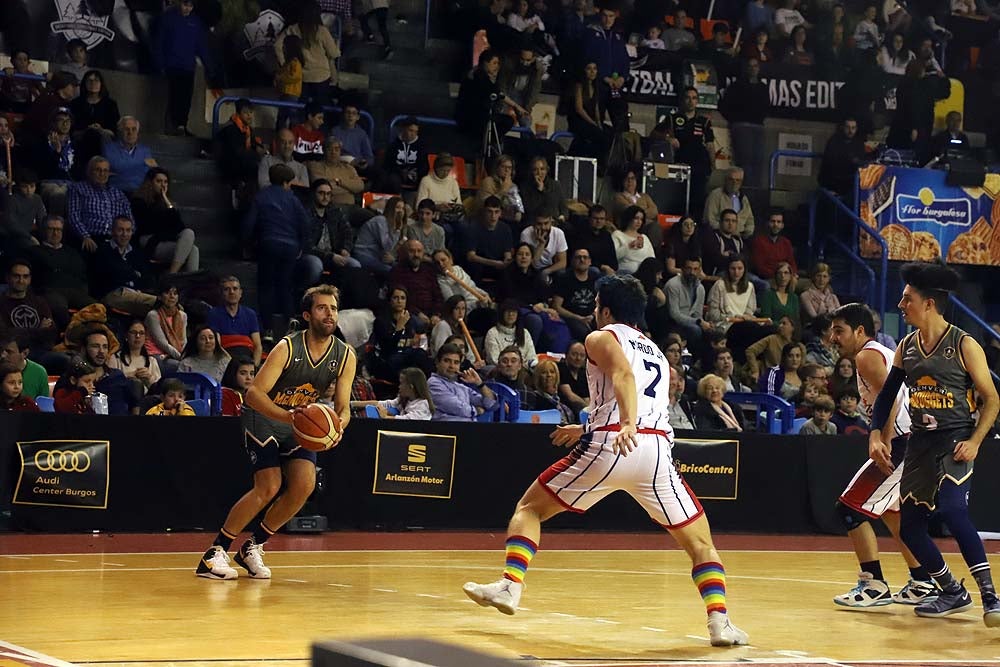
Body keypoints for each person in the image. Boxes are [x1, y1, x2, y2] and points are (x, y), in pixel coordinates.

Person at [462, 274, 749, 646]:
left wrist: (624, 424)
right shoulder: (658, 354)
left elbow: (622, 374)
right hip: (656, 453)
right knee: (701, 543)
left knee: (529, 509)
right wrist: (590, 426)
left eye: (597, 305)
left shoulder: (601, 337)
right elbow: (644, 400)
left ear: (607, 310)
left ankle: (510, 585)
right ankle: (720, 622)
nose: (595, 311)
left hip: (615, 443)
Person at [869, 263, 1000, 624]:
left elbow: (992, 398)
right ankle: (952, 591)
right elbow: (886, 396)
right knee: (910, 527)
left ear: (928, 303)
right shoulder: (906, 346)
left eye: (907, 298)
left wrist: (976, 440)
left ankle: (991, 596)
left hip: (956, 438)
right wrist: (875, 434)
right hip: (920, 444)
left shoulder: (964, 344)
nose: (900, 304)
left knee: (953, 511)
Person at [196, 285, 356, 580]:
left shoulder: (345, 355)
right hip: (265, 415)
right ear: (307, 315)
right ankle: (214, 553)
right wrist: (287, 416)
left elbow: (343, 407)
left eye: (333, 308)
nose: (329, 314)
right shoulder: (287, 347)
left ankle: (252, 547)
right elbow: (254, 393)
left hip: (300, 420)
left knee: (304, 485)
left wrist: (338, 426)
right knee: (269, 486)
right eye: (322, 308)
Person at [130, 168, 200, 274]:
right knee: (190, 249)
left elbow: (180, 227)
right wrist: (169, 232)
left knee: (191, 242)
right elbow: (150, 226)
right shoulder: (139, 201)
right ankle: (173, 277)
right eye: (159, 181)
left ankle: (176, 276)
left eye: (165, 182)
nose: (163, 185)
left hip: (163, 239)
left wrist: (167, 202)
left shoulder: (167, 204)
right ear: (150, 183)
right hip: (149, 240)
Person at [427, 343, 497, 421]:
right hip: (447, 427)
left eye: (456, 362)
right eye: (447, 361)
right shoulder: (433, 383)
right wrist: (477, 411)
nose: (452, 366)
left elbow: (491, 405)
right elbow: (458, 408)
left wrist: (479, 383)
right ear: (437, 362)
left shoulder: (460, 387)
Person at [207, 276, 262, 367]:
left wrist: (254, 367)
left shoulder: (250, 314)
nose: (231, 292)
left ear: (240, 293)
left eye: (235, 289)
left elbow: (258, 346)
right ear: (222, 294)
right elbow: (217, 346)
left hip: (247, 358)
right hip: (226, 358)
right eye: (227, 289)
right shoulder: (214, 313)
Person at [352, 367, 433, 420]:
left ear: (411, 387)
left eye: (401, 383)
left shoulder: (423, 405)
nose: (399, 387)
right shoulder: (403, 399)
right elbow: (382, 404)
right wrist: (352, 404)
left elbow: (406, 421)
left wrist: (385, 416)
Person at [552, 249, 597, 342]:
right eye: (578, 257)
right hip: (571, 318)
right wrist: (579, 318)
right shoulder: (564, 278)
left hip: (592, 317)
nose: (582, 260)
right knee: (584, 333)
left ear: (590, 262)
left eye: (585, 257)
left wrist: (592, 316)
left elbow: (601, 302)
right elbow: (556, 306)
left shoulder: (595, 278)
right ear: (572, 261)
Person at [109, 320, 162, 394]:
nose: (138, 336)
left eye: (141, 333)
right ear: (126, 335)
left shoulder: (152, 361)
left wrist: (149, 378)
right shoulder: (115, 358)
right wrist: (130, 376)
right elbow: (110, 384)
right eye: (134, 332)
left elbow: (160, 390)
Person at [704, 168, 754, 239]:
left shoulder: (743, 198)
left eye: (738, 180)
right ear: (725, 180)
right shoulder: (715, 195)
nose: (734, 183)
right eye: (731, 179)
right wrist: (729, 232)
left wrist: (747, 233)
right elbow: (709, 220)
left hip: (741, 238)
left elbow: (750, 220)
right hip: (719, 237)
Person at [0, 333, 50, 400]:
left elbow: (44, 403)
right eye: (2, 351)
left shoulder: (39, 372)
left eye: (9, 352)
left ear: (25, 353)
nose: (3, 355)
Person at [612, 206, 655, 275]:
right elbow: (613, 256)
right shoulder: (617, 234)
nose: (639, 222)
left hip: (644, 272)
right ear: (629, 218)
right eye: (636, 218)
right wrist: (629, 246)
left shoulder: (644, 237)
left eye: (641, 219)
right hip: (625, 272)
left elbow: (652, 258)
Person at [557, 341, 589, 412]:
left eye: (582, 355)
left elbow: (587, 398)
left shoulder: (583, 374)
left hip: (581, 410)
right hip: (563, 408)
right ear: (566, 355)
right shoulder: (561, 368)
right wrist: (588, 408)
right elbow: (570, 396)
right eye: (574, 354)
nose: (578, 358)